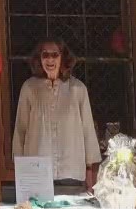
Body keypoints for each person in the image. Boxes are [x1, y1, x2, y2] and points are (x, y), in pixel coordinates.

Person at [11, 38, 102, 189]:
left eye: (55, 54)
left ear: (63, 57)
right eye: (45, 55)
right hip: (37, 172)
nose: (50, 59)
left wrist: (89, 169)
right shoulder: (29, 88)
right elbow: (20, 130)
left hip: (71, 172)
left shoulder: (78, 89)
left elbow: (88, 131)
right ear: (39, 59)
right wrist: (20, 168)